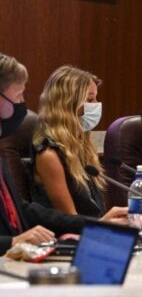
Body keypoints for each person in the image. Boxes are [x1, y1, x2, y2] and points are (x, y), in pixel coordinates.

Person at [0, 53, 126, 254]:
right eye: (18, 97)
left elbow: (22, 209)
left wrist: (100, 226)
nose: (22, 104)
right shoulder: (49, 153)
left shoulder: (83, 148)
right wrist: (13, 241)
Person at [30, 66, 107, 217]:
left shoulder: (83, 148)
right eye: (90, 99)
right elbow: (71, 220)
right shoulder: (49, 154)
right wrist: (107, 223)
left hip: (92, 233)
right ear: (68, 104)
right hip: (68, 237)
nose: (97, 104)